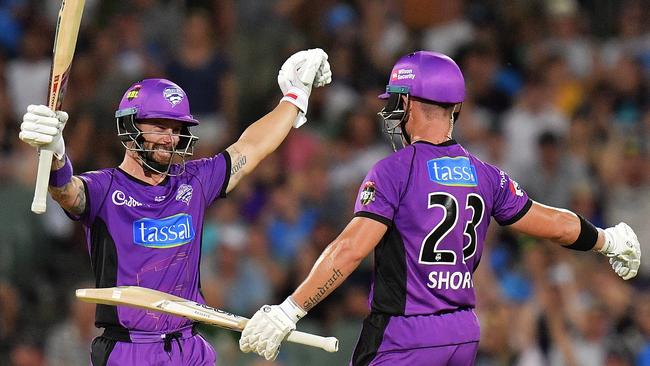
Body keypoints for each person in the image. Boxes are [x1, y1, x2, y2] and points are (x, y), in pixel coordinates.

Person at [238, 51, 642, 365]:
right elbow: (555, 225)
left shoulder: (394, 170)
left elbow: (350, 250)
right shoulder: (486, 175)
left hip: (404, 335)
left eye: (396, 101)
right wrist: (608, 240)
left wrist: (290, 310)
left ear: (410, 103)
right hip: (463, 333)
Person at [18, 48, 332, 365]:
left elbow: (251, 147)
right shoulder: (105, 187)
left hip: (190, 347)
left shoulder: (192, 182)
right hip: (130, 351)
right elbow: (67, 192)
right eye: (159, 126)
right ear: (129, 129)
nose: (170, 138)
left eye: (175, 129)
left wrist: (294, 98)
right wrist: (57, 154)